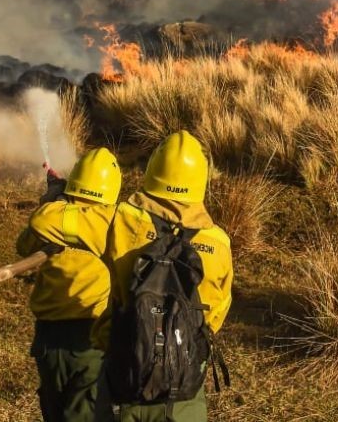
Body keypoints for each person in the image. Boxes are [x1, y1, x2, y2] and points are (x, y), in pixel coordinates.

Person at [93, 130, 233, 422]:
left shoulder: (122, 220)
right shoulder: (218, 243)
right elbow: (215, 316)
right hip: (184, 389)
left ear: (153, 171)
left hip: (124, 380)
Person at [17, 147, 123, 422]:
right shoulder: (114, 219)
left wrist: (56, 201)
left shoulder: (57, 218)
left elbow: (40, 222)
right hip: (85, 335)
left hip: (64, 336)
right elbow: (25, 245)